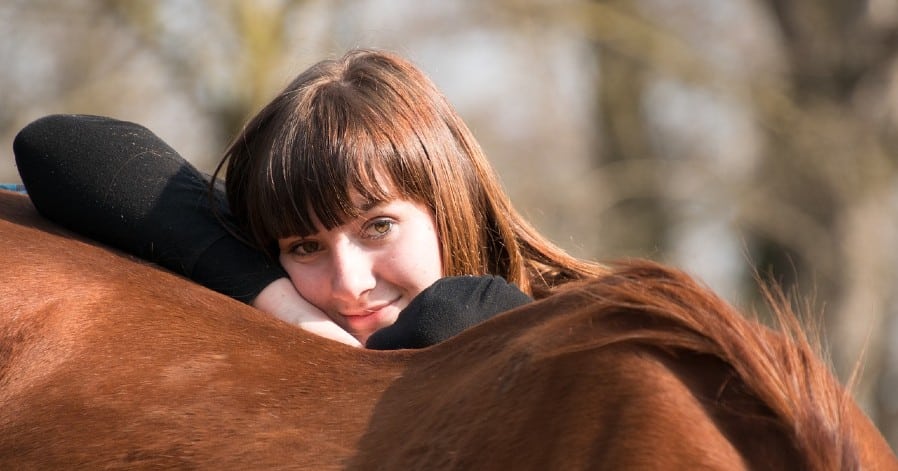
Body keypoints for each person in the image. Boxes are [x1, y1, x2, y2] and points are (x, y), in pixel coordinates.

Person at [14, 48, 607, 349]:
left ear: (449, 201)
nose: (348, 283)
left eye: (378, 227)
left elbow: (454, 317)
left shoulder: (586, 322)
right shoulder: (288, 289)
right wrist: (288, 310)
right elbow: (55, 146)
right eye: (304, 245)